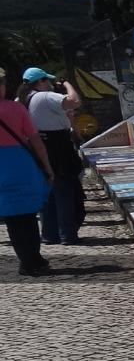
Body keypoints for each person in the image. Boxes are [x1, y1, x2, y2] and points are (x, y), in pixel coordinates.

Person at [19, 67, 84, 245]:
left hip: (39, 146)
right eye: (47, 81)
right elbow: (74, 101)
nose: (50, 84)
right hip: (58, 146)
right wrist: (67, 84)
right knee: (66, 192)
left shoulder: (22, 99)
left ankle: (50, 233)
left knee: (49, 193)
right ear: (40, 82)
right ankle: (68, 234)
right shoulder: (44, 96)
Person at [0, 72, 55, 276]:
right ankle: (34, 258)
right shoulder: (16, 108)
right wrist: (48, 168)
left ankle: (26, 260)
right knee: (29, 216)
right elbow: (36, 141)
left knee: (12, 220)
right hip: (21, 165)